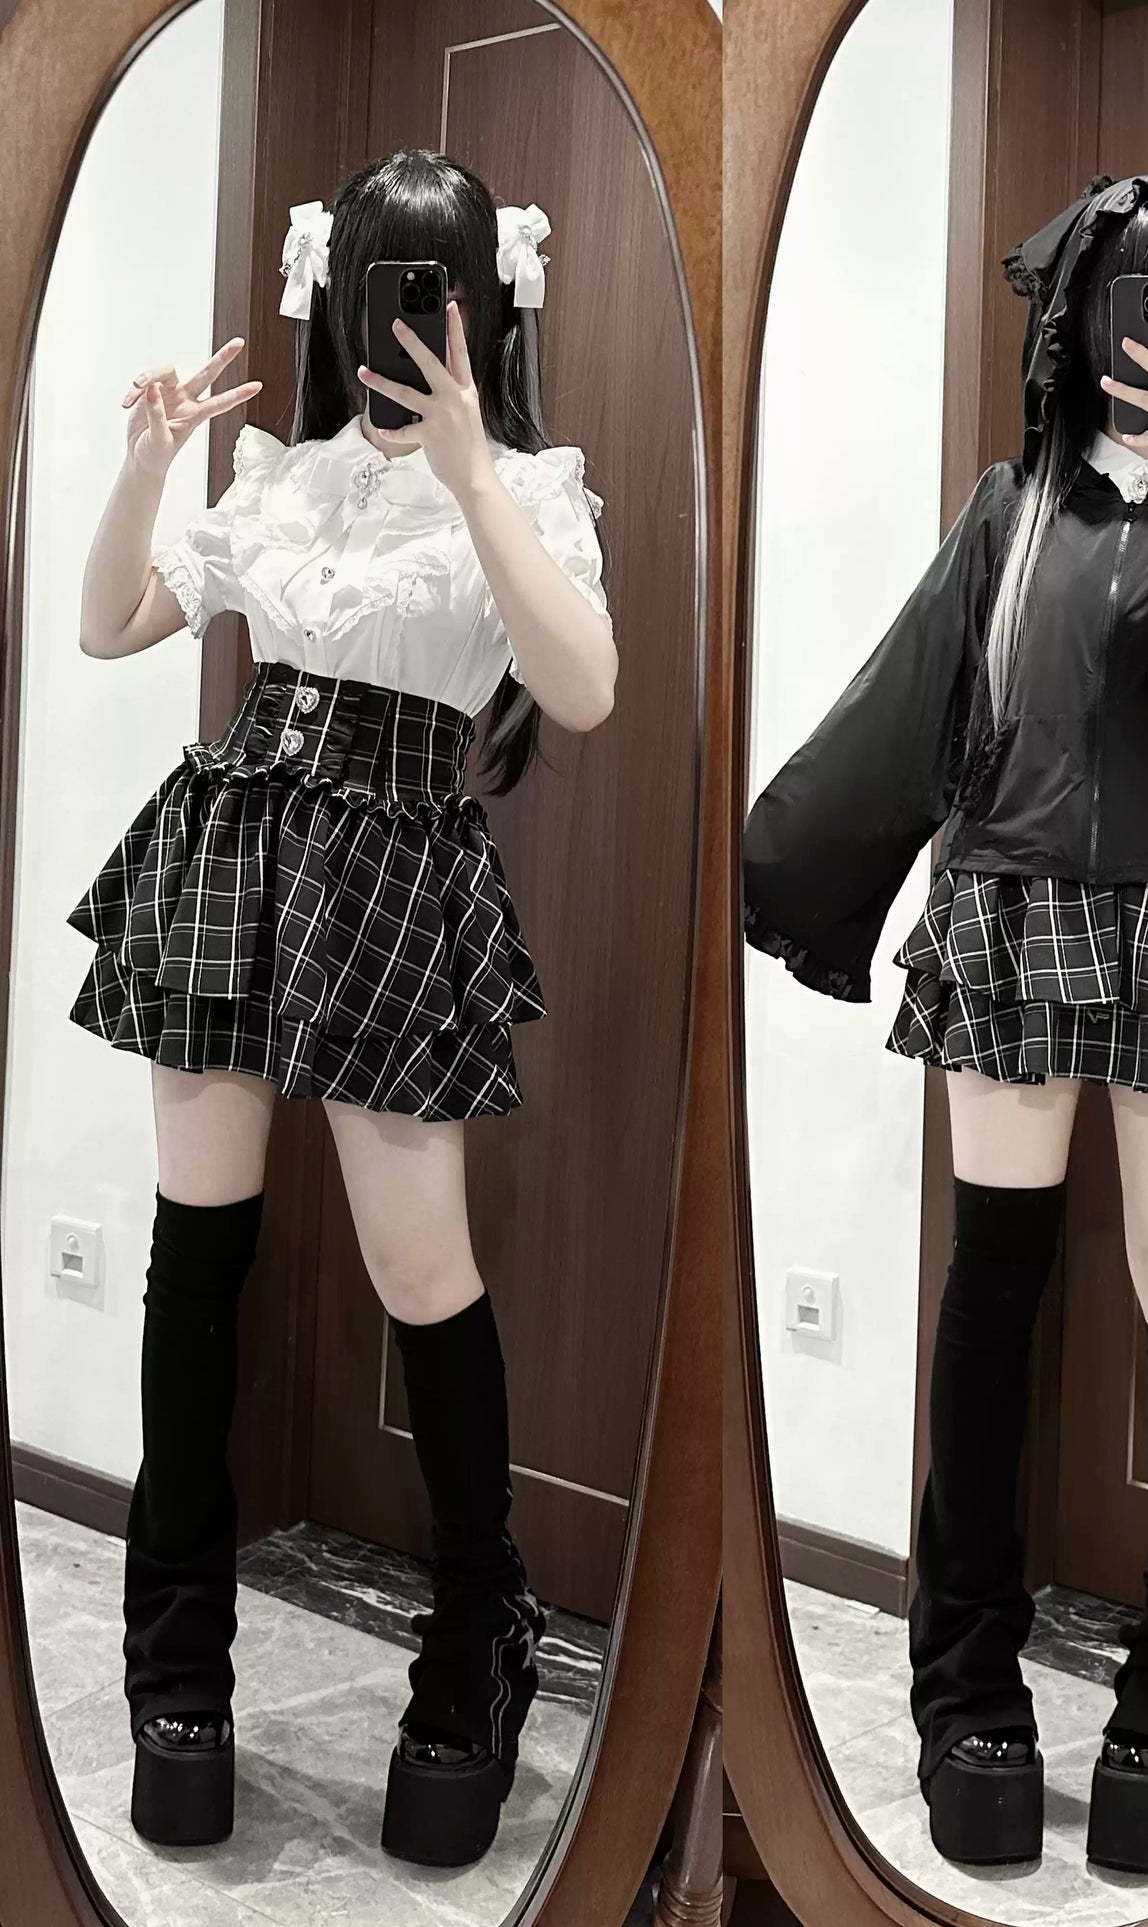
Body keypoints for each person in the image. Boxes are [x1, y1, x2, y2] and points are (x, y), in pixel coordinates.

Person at [743, 170, 1148, 1875]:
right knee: (997, 1268)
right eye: (1123, 303)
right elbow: (912, 696)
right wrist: (792, 865)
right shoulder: (1010, 508)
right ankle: (962, 1657)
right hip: (1014, 902)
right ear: (1074, 325)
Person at [71, 148, 616, 1867]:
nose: (401, 320)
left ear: (486, 306)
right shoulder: (281, 477)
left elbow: (583, 691)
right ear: (336, 296)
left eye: (432, 285)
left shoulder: (526, 489)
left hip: (400, 866)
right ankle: (178, 1669)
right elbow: (111, 624)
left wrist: (471, 478)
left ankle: (477, 1642)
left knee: (420, 1273)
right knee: (197, 1260)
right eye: (379, 280)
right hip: (234, 844)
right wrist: (146, 463)